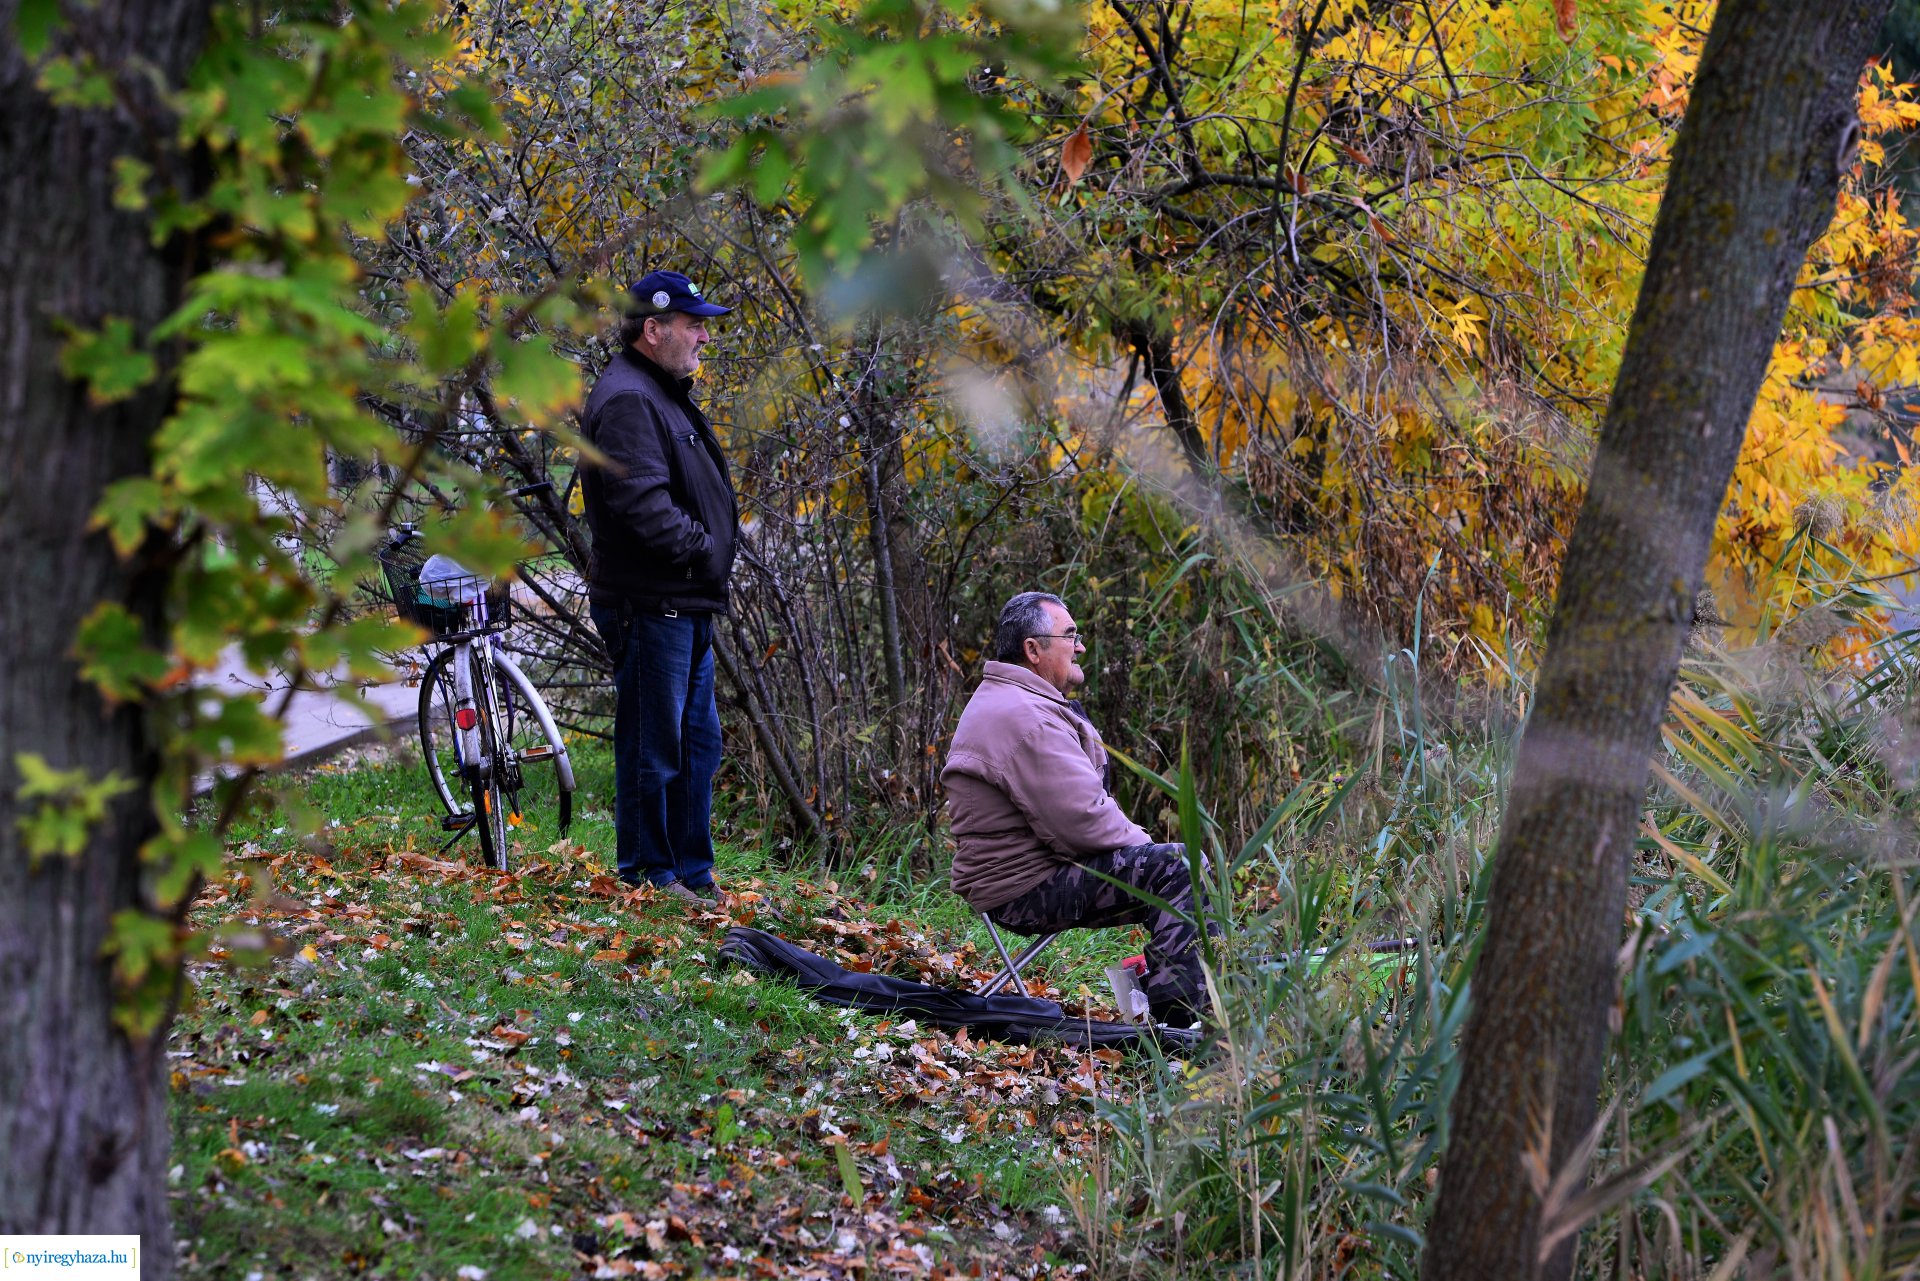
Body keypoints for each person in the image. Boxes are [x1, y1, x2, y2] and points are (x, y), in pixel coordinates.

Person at [941, 591, 1211, 1025]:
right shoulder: (1025, 715)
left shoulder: (1014, 701)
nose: (1080, 645)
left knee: (1171, 867)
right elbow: (1083, 821)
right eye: (1069, 635)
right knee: (1181, 870)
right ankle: (1181, 1024)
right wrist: (1148, 850)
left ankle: (1184, 1003)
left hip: (1019, 877)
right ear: (1033, 649)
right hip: (1022, 889)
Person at [582, 269, 736, 905]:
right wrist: (704, 553)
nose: (704, 335)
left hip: (683, 603)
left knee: (698, 746)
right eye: (693, 324)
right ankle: (649, 874)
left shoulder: (659, 390)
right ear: (653, 329)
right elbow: (641, 506)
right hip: (654, 603)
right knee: (655, 747)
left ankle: (692, 875)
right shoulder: (628, 400)